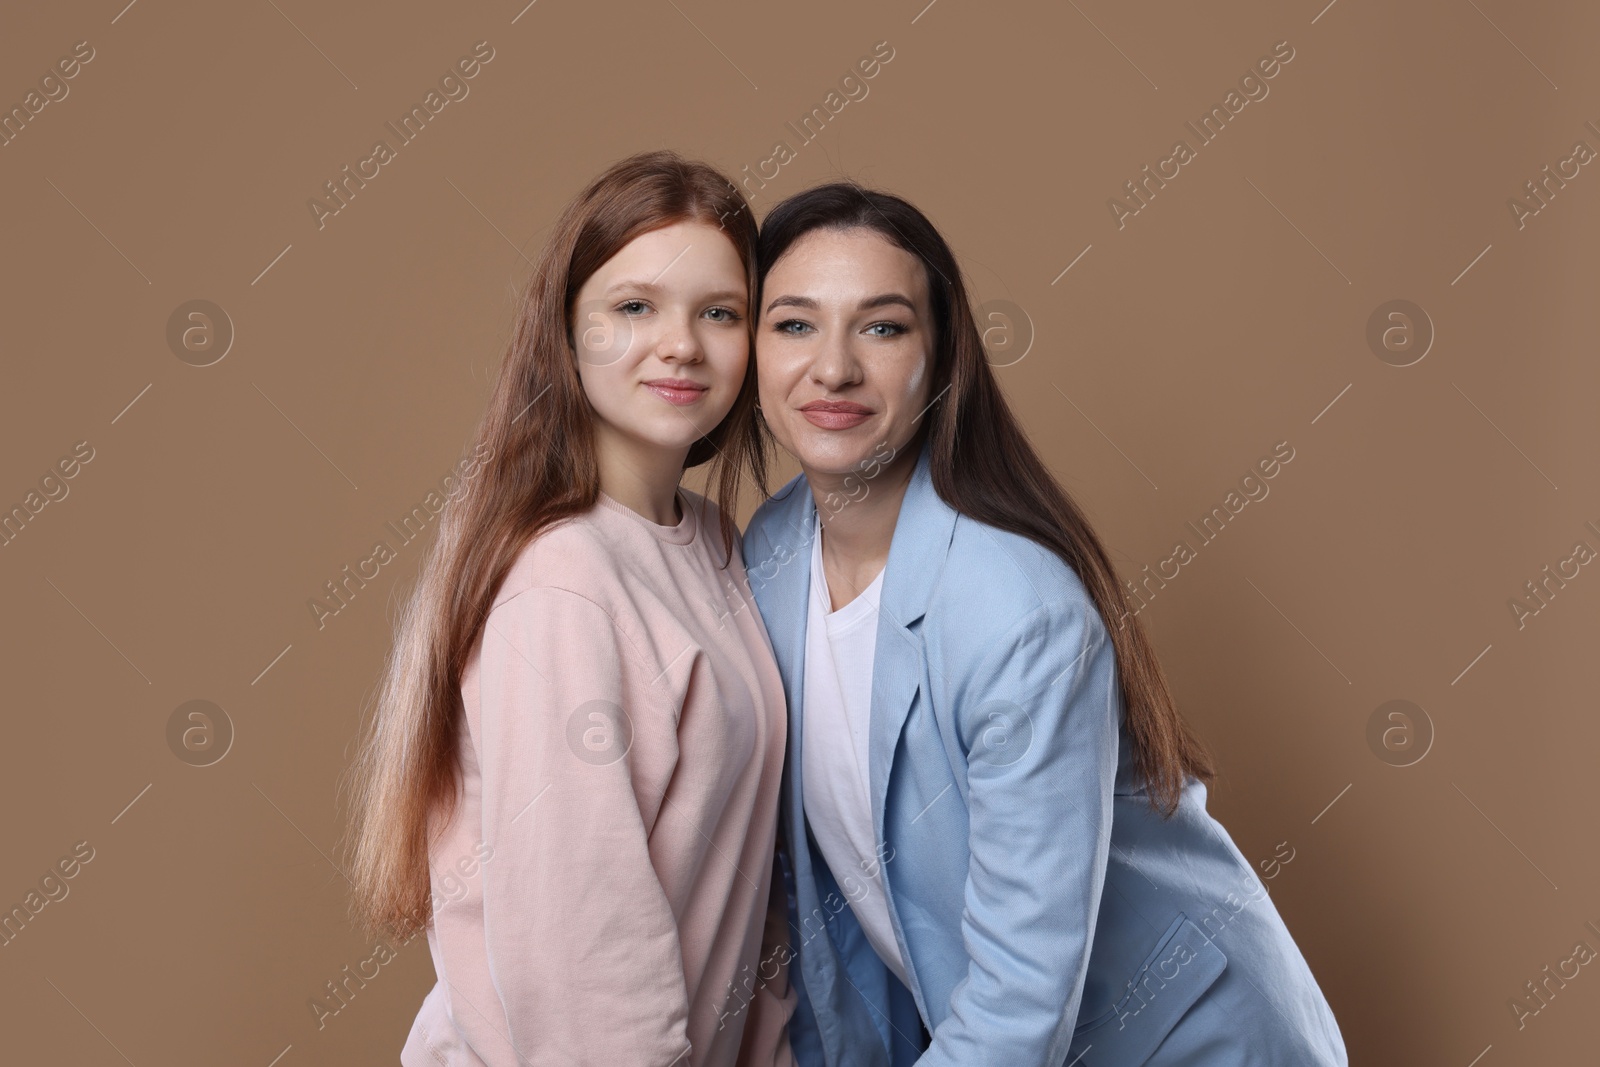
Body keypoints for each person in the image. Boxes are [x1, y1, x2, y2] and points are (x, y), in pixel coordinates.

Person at [739, 182, 1348, 1066]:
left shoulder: (1016, 613)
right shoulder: (772, 552)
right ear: (751, 348)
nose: (832, 368)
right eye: (794, 324)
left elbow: (1020, 998)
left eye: (882, 326)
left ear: (942, 358)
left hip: (1189, 1044)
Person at [343, 150, 795, 1067]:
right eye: (634, 308)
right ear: (567, 333)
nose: (681, 344)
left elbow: (753, 884)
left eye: (720, 312)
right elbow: (583, 950)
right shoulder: (561, 580)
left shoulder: (710, 542)